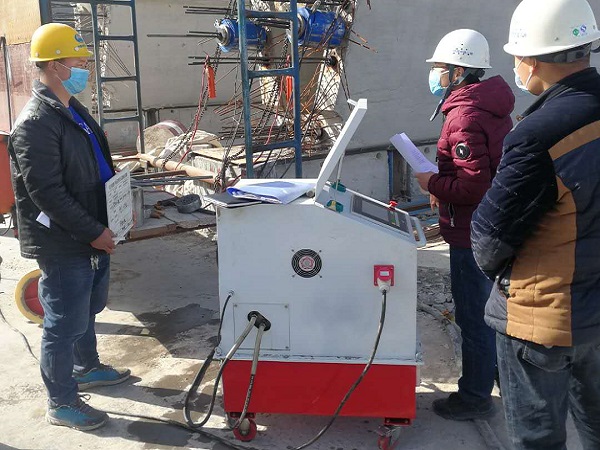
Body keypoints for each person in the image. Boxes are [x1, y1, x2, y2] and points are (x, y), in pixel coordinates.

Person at [470, 0, 600, 448]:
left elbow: (489, 241)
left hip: (542, 320)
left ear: (531, 59)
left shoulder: (538, 134)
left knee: (538, 439)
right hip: (595, 311)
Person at [8, 23, 130, 431]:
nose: (85, 69)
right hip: (63, 239)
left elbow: (92, 166)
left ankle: (86, 366)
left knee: (86, 309)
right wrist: (93, 231)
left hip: (90, 228)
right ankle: (60, 402)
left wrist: (115, 211)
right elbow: (47, 193)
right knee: (63, 324)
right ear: (55, 65)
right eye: (79, 61)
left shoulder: (72, 109)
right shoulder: (35, 123)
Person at [415, 29, 515, 420]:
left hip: (470, 233)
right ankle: (499, 377)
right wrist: (444, 186)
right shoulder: (485, 105)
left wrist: (432, 183)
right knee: (493, 313)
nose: (434, 74)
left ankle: (474, 398)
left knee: (474, 317)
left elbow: (473, 186)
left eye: (439, 67)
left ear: (458, 72)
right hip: (490, 224)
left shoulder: (464, 114)